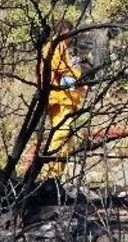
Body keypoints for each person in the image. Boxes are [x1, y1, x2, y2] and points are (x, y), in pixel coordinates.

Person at [37, 21, 85, 178]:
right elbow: (58, 67)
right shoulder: (56, 46)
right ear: (66, 32)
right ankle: (51, 174)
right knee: (61, 133)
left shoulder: (57, 46)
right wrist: (78, 75)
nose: (72, 38)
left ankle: (55, 174)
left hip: (59, 98)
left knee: (64, 136)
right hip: (59, 98)